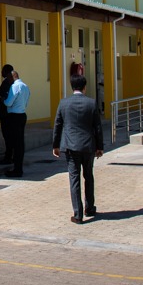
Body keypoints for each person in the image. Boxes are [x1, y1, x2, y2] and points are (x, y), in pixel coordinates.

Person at [52, 74, 104, 223]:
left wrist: (55, 145)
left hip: (70, 147)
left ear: (72, 86)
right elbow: (98, 128)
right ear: (84, 87)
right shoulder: (92, 103)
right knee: (89, 176)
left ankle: (78, 214)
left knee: (74, 179)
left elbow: (57, 126)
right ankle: (90, 207)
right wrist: (100, 147)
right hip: (88, 146)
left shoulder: (64, 103)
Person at [3, 70, 30, 177]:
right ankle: (18, 167)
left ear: (12, 77)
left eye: (9, 78)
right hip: (22, 114)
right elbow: (26, 102)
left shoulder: (14, 86)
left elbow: (9, 102)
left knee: (16, 143)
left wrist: (3, 100)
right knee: (20, 144)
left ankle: (17, 169)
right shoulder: (25, 86)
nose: (8, 80)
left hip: (14, 116)